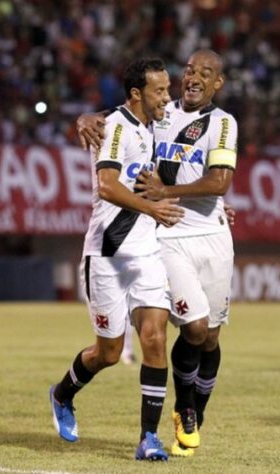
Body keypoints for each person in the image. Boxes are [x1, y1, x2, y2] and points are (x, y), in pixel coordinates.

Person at [78, 49, 238, 457]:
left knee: (211, 338)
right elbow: (127, 112)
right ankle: (183, 406)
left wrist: (169, 191)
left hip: (213, 235)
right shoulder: (163, 113)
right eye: (189, 70)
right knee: (195, 328)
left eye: (205, 73)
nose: (194, 77)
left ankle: (194, 412)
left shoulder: (222, 123)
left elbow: (219, 182)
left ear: (218, 83)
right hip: (165, 235)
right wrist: (85, 117)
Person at [49, 58, 184, 461]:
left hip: (146, 254)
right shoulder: (115, 128)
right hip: (106, 255)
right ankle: (61, 394)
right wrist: (153, 209)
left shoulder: (158, 123)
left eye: (168, 88)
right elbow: (107, 186)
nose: (167, 97)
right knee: (108, 353)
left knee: (155, 339)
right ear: (137, 94)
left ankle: (148, 438)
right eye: (160, 90)